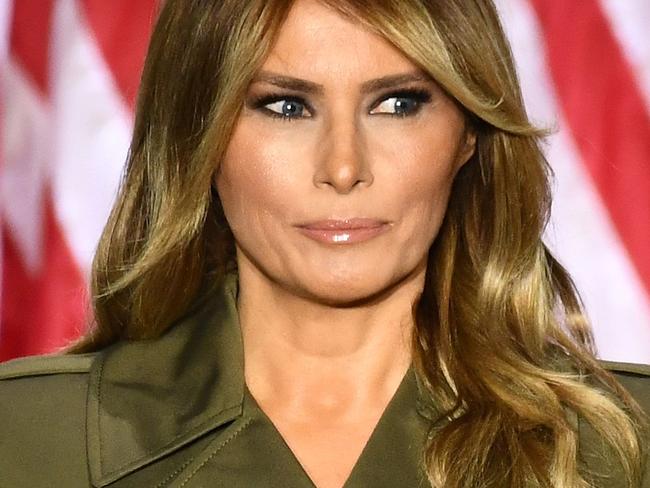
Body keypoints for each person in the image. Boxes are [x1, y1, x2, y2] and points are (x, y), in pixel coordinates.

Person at [0, 0, 648, 486]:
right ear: (200, 140)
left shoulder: (627, 445)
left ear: (468, 136)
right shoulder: (26, 439)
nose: (343, 168)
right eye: (285, 107)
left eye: (397, 104)